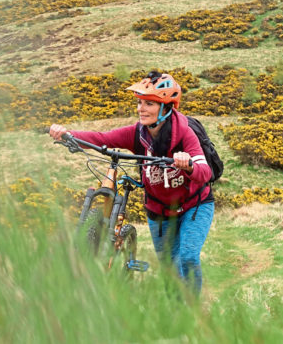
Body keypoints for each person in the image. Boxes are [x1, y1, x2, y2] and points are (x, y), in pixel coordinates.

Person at [49, 71, 214, 296]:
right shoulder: (138, 134)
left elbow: (204, 171)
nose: (140, 108)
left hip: (194, 206)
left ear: (166, 108)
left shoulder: (185, 133)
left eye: (149, 103)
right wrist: (68, 134)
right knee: (168, 268)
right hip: (159, 211)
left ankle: (193, 310)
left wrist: (189, 165)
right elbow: (102, 139)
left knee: (186, 257)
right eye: (139, 102)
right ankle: (177, 311)